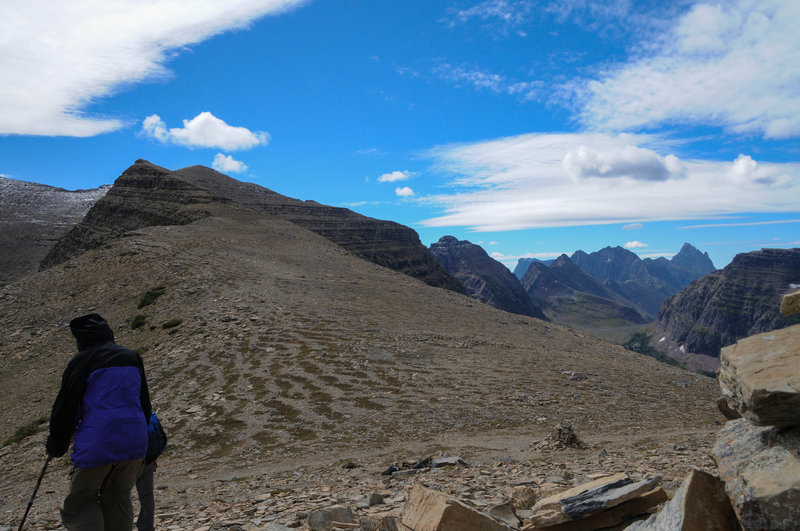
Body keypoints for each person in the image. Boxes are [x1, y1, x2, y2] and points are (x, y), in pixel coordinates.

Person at [46, 313, 152, 530]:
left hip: (98, 442)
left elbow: (66, 408)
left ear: (80, 340)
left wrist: (56, 446)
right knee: (118, 496)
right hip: (134, 442)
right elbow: (144, 405)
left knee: (82, 500)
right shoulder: (132, 358)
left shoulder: (82, 361)